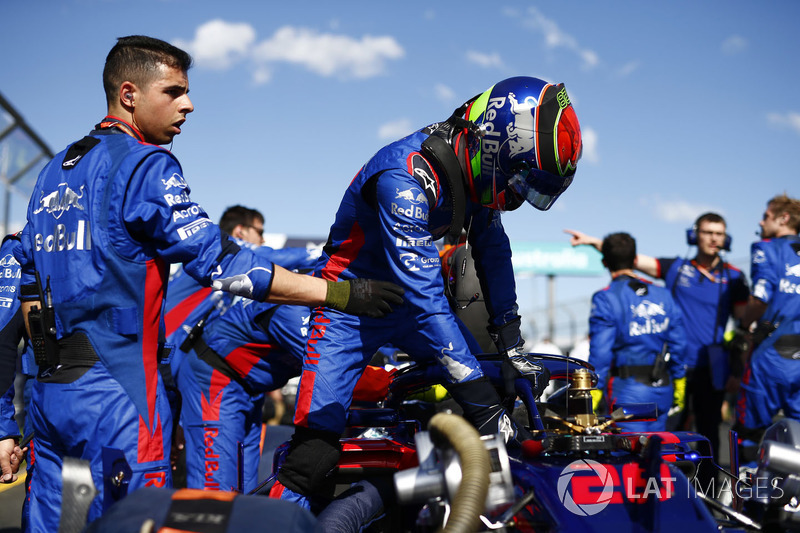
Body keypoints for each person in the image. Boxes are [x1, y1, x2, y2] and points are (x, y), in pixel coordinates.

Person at [16, 35, 403, 531]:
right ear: (129, 94)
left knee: (52, 523)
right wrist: (344, 293)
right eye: (174, 92)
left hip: (50, 393)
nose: (189, 104)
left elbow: (24, 291)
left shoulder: (53, 171)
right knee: (145, 521)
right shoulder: (144, 164)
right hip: (120, 394)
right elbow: (224, 264)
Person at [270, 76, 583, 510]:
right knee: (313, 455)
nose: (516, 194)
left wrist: (512, 346)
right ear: (495, 145)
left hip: (414, 302)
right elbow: (425, 295)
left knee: (497, 380)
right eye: (520, 178)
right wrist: (476, 396)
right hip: (351, 305)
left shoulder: (476, 171)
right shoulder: (403, 174)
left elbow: (493, 251)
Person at [566, 213, 749, 467]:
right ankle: (673, 489)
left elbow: (745, 324)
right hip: (674, 371)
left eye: (719, 233)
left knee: (708, 434)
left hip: (711, 367)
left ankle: (708, 496)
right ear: (695, 235)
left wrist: (738, 368)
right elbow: (630, 260)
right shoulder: (676, 269)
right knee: (669, 439)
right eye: (708, 232)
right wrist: (593, 242)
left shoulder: (735, 277)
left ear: (726, 237)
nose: (714, 239)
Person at [587, 232, 686, 432]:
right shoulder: (663, 294)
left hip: (627, 392)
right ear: (635, 259)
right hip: (663, 389)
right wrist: (680, 380)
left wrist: (594, 390)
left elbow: (601, 352)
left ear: (605, 262)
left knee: (627, 457)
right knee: (660, 454)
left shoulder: (605, 298)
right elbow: (679, 343)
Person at [736, 194, 800, 439]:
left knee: (749, 432)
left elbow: (760, 298)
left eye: (766, 217)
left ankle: (751, 476)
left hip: (772, 357)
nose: (761, 223)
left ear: (784, 219)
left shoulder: (767, 248)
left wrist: (744, 326)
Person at [0, 234, 28, 484]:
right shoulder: (24, 243)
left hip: (132, 403)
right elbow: (2, 336)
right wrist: (3, 431)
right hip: (54, 403)